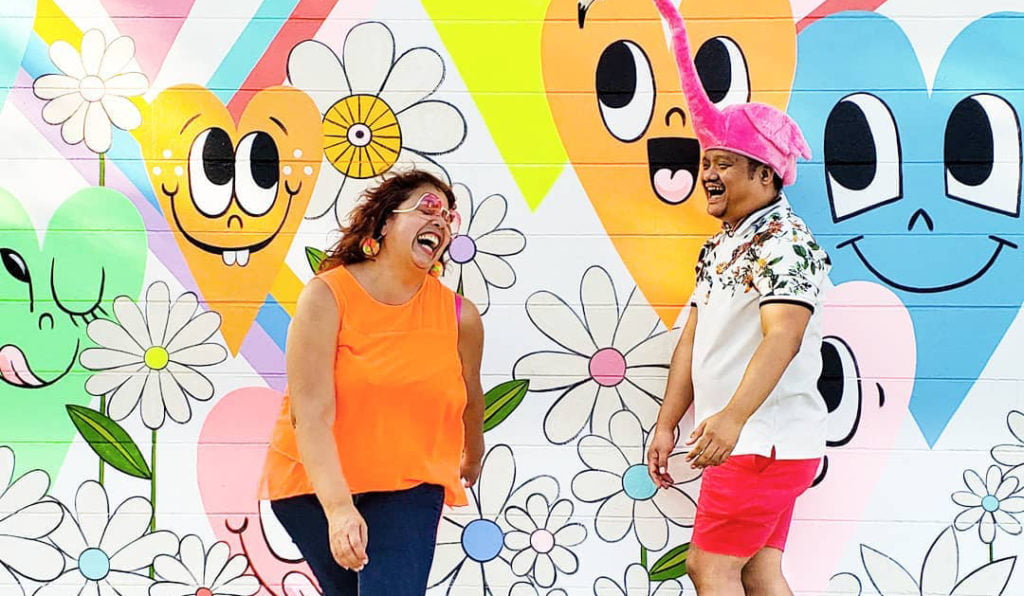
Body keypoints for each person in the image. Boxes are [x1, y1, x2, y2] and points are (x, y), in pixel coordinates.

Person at [646, 1, 831, 595]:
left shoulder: (786, 243)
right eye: (706, 163)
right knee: (757, 569)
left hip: (761, 442)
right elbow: (693, 339)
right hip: (754, 441)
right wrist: (667, 422)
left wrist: (732, 417)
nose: (708, 174)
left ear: (766, 174)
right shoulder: (721, 245)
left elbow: (784, 337)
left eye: (723, 162)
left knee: (710, 567)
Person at [259, 170, 485, 595]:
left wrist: (473, 453)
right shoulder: (326, 296)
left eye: (448, 217)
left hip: (407, 481)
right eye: (428, 208)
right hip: (312, 485)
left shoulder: (461, 317)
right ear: (384, 223)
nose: (440, 222)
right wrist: (339, 509)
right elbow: (310, 414)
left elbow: (470, 395)